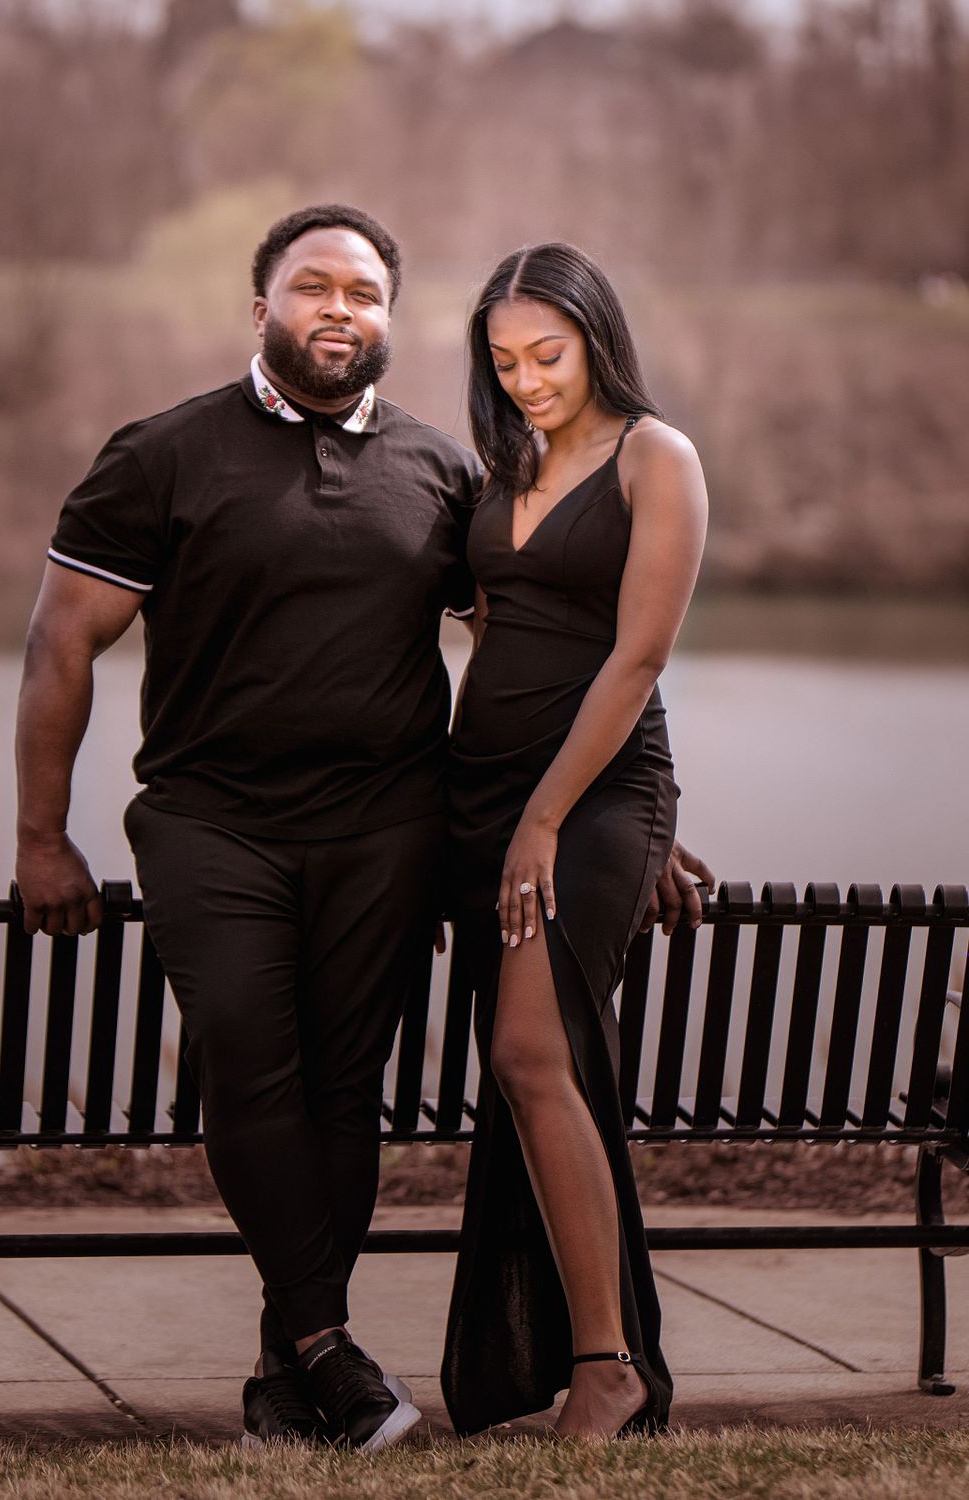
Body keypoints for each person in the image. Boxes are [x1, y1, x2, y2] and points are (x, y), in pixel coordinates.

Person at [14, 204, 709, 1451]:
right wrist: (39, 834)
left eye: (367, 292)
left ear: (390, 317)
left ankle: (299, 1377)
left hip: (389, 829)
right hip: (211, 822)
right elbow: (62, 638)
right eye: (314, 287)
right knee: (244, 1050)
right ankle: (327, 1342)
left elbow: (547, 636)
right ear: (263, 306)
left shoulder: (446, 471)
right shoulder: (163, 453)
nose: (341, 309)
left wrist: (639, 820)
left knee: (346, 1090)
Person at [441, 242, 712, 1442]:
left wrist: (556, 821)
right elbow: (494, 619)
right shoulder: (507, 464)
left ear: (597, 338)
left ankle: (609, 1363)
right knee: (527, 1067)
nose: (527, 381)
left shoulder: (659, 457)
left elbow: (637, 657)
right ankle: (556, 1352)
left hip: (588, 800)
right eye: (503, 364)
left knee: (529, 1050)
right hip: (482, 793)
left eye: (546, 355)